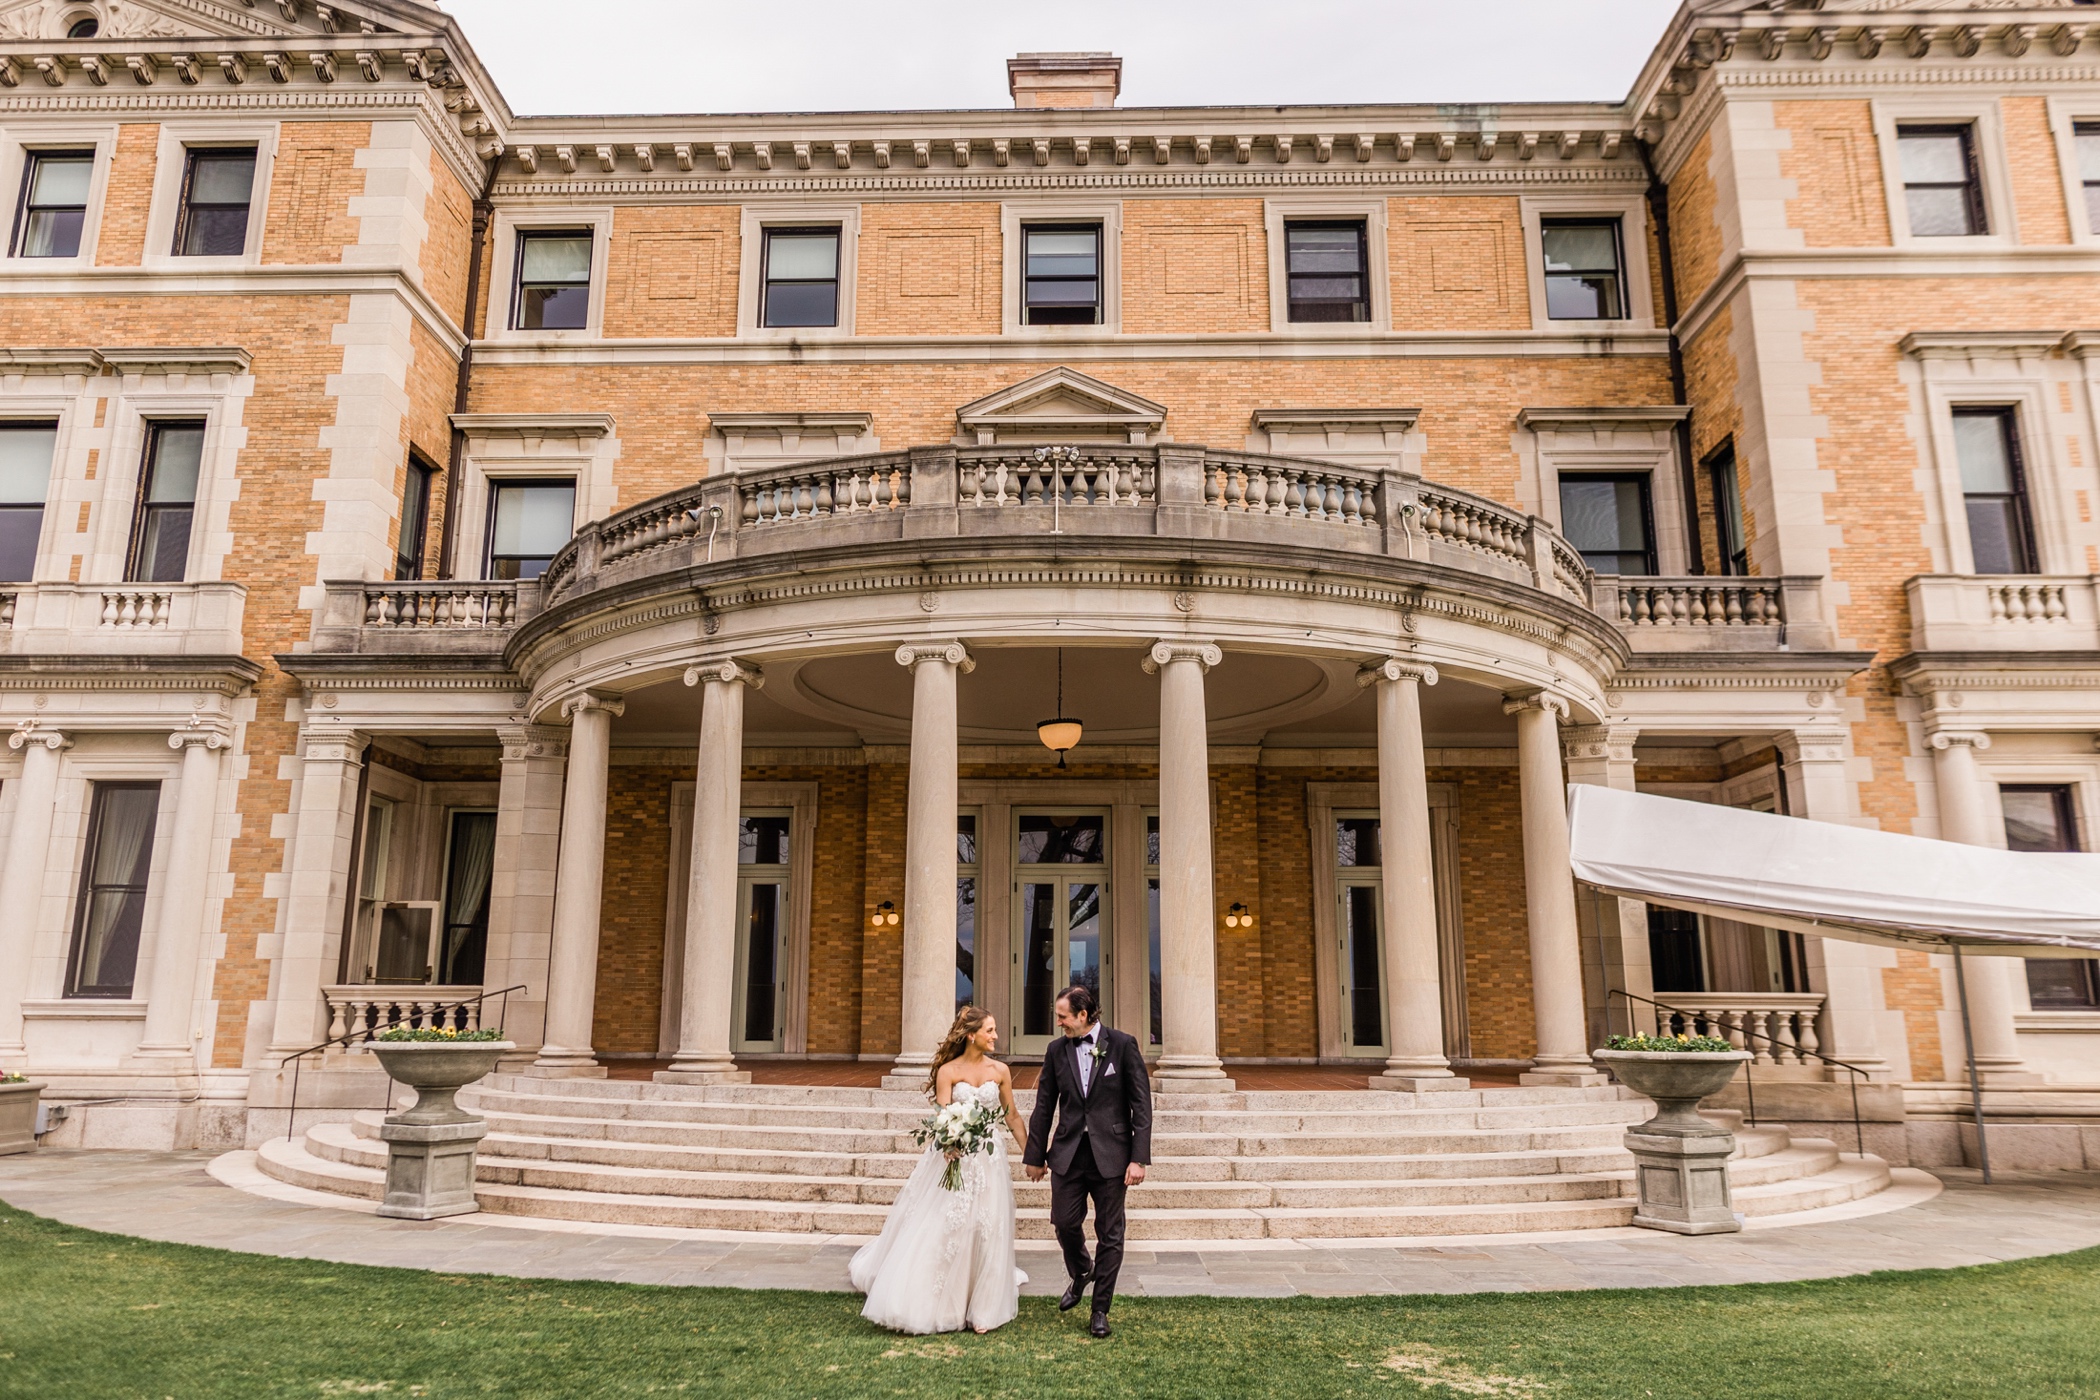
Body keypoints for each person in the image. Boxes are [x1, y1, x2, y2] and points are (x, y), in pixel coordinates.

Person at [849, 1005, 1028, 1335]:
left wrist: (1032, 1155)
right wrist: (950, 1142)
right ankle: (942, 1303)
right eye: (990, 1030)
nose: (996, 1036)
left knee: (987, 1226)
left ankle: (984, 1308)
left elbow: (1012, 1116)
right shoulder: (948, 1071)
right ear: (971, 1035)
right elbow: (943, 1115)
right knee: (949, 1224)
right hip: (954, 1156)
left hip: (988, 1158)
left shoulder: (1000, 1070)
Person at [1022, 984, 1152, 1339]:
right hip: (1067, 1154)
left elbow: (1141, 1106)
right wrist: (1034, 1155)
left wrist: (1139, 1158)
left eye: (1063, 1017)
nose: (1059, 1023)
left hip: (1112, 1155)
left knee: (1110, 1234)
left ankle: (1100, 1309)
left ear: (1083, 1015)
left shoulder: (1123, 1045)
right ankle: (1081, 1270)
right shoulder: (1055, 1050)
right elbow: (1044, 1105)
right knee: (1064, 1222)